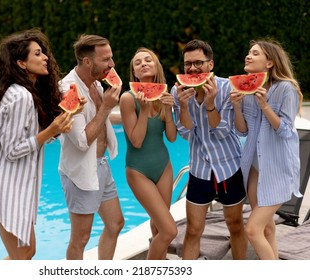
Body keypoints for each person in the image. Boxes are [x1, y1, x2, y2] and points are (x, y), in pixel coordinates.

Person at [0, 29, 76, 260]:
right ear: (21, 63)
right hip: (5, 188)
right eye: (38, 54)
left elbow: (29, 139)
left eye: (43, 53)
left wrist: (54, 131)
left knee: (25, 253)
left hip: (15, 186)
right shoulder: (21, 96)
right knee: (24, 254)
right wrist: (51, 130)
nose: (45, 58)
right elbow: (12, 151)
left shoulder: (23, 92)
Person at [171, 39, 248, 260]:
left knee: (235, 225)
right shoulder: (178, 92)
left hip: (229, 167)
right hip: (199, 169)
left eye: (198, 63)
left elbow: (222, 131)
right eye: (187, 64)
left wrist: (211, 103)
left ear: (210, 64)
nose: (192, 69)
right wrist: (184, 107)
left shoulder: (225, 88)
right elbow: (185, 133)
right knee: (193, 229)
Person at [230, 38, 303, 260]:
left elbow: (285, 130)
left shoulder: (285, 89)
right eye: (249, 52)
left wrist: (264, 105)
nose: (248, 56)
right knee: (267, 229)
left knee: (252, 230)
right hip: (254, 167)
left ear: (269, 63)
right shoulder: (249, 90)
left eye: (255, 53)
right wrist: (236, 107)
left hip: (278, 168)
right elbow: (243, 131)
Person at [58, 34, 124, 260]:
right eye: (106, 59)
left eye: (111, 58)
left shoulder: (95, 83)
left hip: (102, 166)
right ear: (87, 62)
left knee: (115, 223)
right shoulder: (68, 89)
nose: (112, 64)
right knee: (81, 239)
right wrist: (106, 106)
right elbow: (82, 141)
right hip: (81, 172)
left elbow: (101, 119)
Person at [119, 47, 178, 260]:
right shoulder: (127, 98)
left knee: (158, 228)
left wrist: (169, 111)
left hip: (164, 167)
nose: (143, 64)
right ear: (134, 72)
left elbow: (171, 138)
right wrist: (143, 111)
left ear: (156, 67)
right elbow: (136, 141)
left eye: (148, 60)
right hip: (138, 170)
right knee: (170, 230)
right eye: (138, 62)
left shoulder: (164, 94)